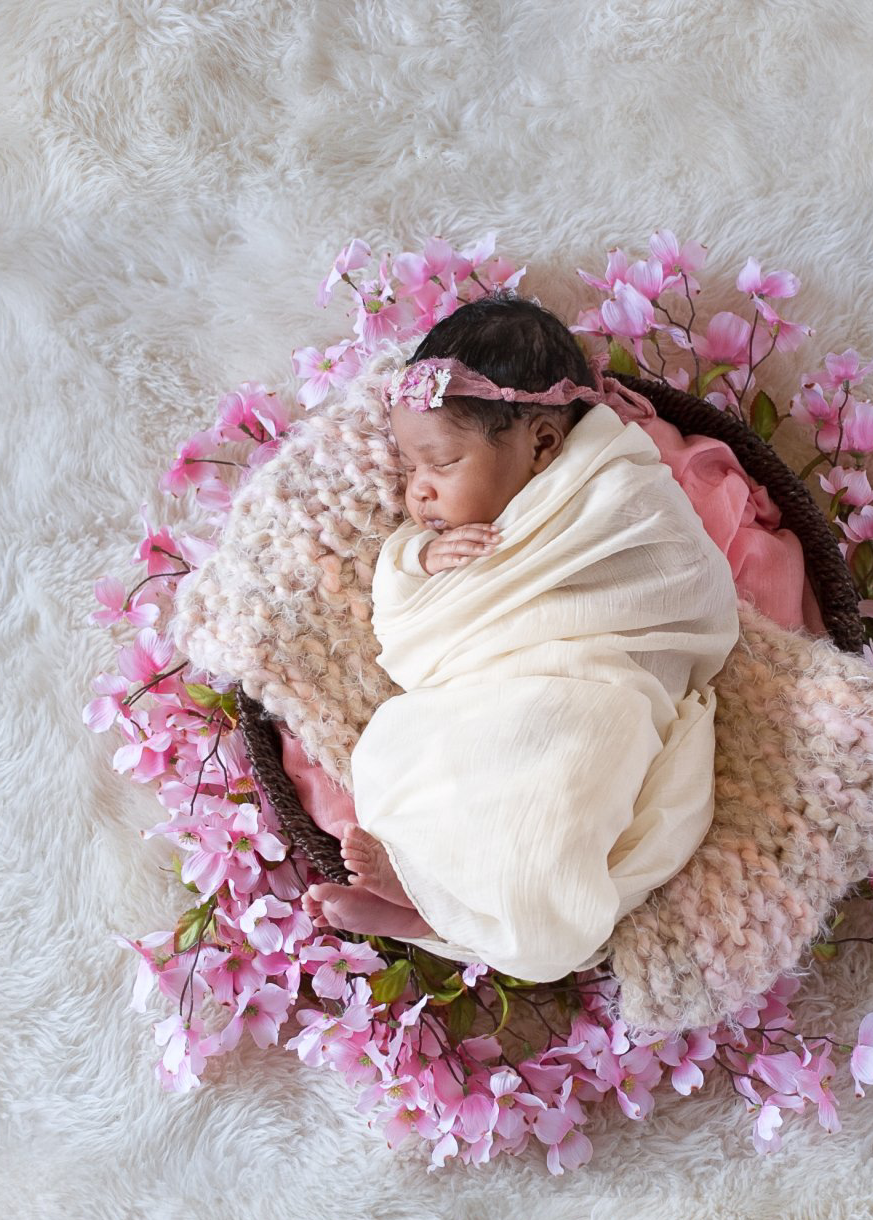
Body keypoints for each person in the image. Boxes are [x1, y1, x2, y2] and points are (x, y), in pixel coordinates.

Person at [302, 295, 741, 982]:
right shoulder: (440, 533)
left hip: (599, 686)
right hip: (486, 685)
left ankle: (440, 912)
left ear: (542, 445)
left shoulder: (617, 489)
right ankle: (433, 896)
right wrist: (421, 559)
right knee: (425, 753)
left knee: (558, 787)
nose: (419, 492)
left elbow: (683, 580)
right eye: (411, 469)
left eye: (441, 463)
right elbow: (407, 623)